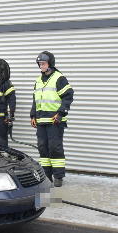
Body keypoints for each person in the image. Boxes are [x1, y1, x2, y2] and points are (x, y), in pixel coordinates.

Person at [30, 51, 74, 187]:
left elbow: (68, 96)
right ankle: (46, 177)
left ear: (50, 64)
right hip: (41, 121)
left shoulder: (59, 78)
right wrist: (33, 115)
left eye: (43, 64)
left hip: (54, 121)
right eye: (39, 64)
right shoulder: (38, 80)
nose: (41, 66)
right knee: (43, 148)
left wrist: (60, 114)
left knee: (55, 148)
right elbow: (35, 100)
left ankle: (58, 177)